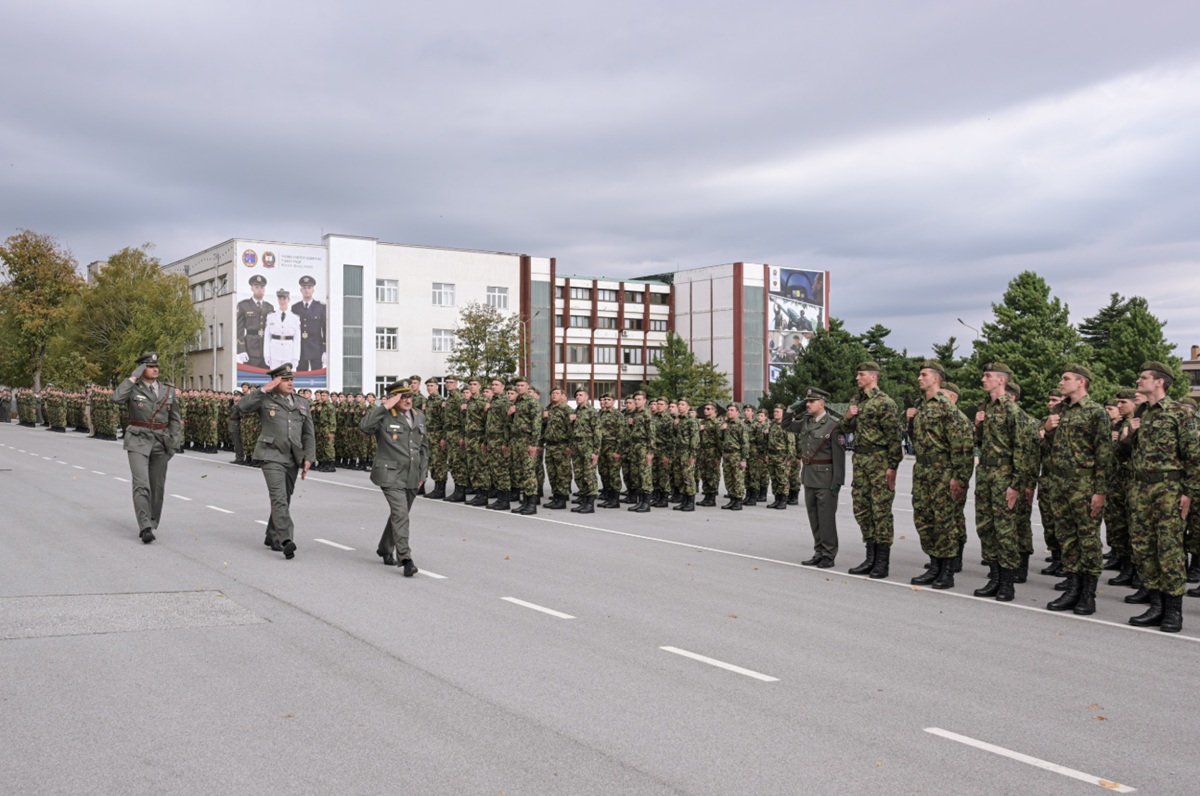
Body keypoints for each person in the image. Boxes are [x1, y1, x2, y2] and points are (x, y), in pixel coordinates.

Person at [1122, 362, 1200, 631]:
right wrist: (1129, 434)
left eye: (1143, 377)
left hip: (1169, 491)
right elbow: (1126, 454)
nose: (1138, 380)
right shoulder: (1142, 413)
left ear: (1159, 382)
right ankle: (1155, 606)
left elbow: (1193, 458)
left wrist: (1189, 493)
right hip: (1140, 491)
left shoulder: (1180, 413)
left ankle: (1173, 611)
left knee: (1169, 551)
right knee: (1144, 550)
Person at [1042, 364, 1111, 614]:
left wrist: (1100, 491)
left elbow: (1105, 455)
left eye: (1066, 379)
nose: (1061, 382)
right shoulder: (1060, 410)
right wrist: (1048, 429)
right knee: (1067, 538)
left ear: (1081, 382)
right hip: (1059, 484)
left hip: (1084, 485)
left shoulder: (1096, 412)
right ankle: (1072, 588)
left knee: (1088, 539)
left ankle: (1088, 594)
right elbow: (1050, 446)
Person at [971, 364, 1036, 601]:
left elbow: (1022, 451)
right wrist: (977, 425)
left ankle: (1007, 583)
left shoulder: (1012, 410)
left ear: (1001, 381)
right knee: (986, 527)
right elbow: (978, 442)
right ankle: (994, 577)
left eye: (987, 376)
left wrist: (1016, 485)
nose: (982, 379)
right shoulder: (985, 408)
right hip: (986, 474)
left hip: (1004, 476)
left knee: (1005, 530)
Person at [237, 363, 316, 559]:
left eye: (291, 379)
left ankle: (271, 535)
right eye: (285, 380)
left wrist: (309, 457)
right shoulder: (264, 399)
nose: (290, 383)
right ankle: (286, 539)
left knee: (285, 498)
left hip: (292, 456)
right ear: (276, 381)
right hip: (270, 455)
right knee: (279, 497)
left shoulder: (302, 402)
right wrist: (263, 389)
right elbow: (242, 407)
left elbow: (308, 433)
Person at [909, 361, 971, 589]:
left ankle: (946, 571)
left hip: (943, 472)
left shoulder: (947, 407)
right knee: (924, 520)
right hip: (923, 470)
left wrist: (960, 478)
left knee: (944, 521)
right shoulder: (923, 407)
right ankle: (934, 565)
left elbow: (962, 446)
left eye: (923, 374)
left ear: (936, 379)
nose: (919, 378)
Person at [840, 361, 903, 578]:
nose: (857, 378)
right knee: (862, 508)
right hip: (860, 459)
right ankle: (870, 556)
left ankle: (882, 561)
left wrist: (893, 466)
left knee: (881, 510)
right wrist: (848, 416)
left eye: (861, 374)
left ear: (873, 377)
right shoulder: (856, 401)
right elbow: (844, 429)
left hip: (879, 460)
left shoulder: (885, 402)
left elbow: (895, 437)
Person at [111, 353, 182, 543]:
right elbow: (116, 398)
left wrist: (173, 445)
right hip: (138, 440)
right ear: (142, 369)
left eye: (156, 365)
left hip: (161, 442)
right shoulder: (132, 388)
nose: (155, 369)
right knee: (141, 484)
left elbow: (175, 419)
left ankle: (152, 521)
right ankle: (145, 526)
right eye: (150, 366)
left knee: (157, 487)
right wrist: (132, 377)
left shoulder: (168, 391)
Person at [361, 382, 428, 576]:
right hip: (390, 474)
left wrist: (423, 473)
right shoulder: (383, 416)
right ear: (393, 398)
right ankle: (406, 559)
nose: (407, 400)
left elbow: (424, 447)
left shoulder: (418, 416)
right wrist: (384, 407)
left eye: (409, 396)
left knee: (400, 514)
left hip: (412, 475)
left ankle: (384, 548)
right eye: (402, 396)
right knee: (401, 514)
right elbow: (364, 427)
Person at [784, 388, 846, 568]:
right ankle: (818, 551)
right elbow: (786, 425)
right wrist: (789, 410)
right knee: (814, 517)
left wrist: (838, 482)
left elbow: (839, 457)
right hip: (809, 476)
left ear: (822, 403)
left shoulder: (834, 425)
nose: (808, 404)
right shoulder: (806, 422)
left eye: (812, 401)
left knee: (826, 519)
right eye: (807, 401)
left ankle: (829, 554)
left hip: (826, 479)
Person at [236, 275, 273, 369]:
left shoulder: (269, 307)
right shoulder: (243, 305)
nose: (259, 289)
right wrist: (241, 350)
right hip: (250, 348)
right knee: (250, 380)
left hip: (266, 349)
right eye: (256, 287)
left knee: (267, 379)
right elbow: (238, 330)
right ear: (251, 288)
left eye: (262, 287)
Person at [293, 275, 327, 372]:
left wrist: (325, 350)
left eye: (309, 287)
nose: (307, 290)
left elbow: (325, 329)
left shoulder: (320, 307)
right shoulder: (295, 307)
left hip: (316, 347)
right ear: (301, 290)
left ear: (313, 290)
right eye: (304, 288)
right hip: (301, 348)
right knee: (301, 377)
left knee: (316, 377)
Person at [264, 289, 301, 371]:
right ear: (277, 300)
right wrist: (267, 355)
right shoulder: (271, 317)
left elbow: (297, 340)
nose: (282, 301)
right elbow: (267, 338)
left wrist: (295, 358)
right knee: (275, 378)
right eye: (280, 298)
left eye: (284, 298)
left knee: (287, 379)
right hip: (274, 353)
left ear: (289, 300)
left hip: (289, 354)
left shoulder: (295, 318)